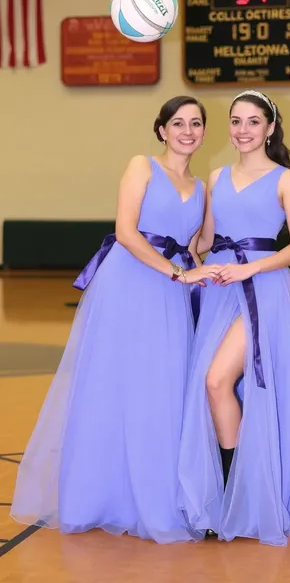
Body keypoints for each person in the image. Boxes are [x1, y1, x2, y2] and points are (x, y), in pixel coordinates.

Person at [11, 95, 221, 544]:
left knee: (162, 388)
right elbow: (126, 232)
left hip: (171, 290)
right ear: (161, 130)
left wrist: (216, 264)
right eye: (178, 122)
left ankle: (156, 496)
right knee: (116, 384)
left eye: (196, 123)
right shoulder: (141, 166)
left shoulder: (203, 186)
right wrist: (178, 271)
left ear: (204, 132)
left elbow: (201, 242)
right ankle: (100, 498)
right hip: (130, 283)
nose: (188, 130)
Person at [178, 89, 290, 546]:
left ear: (270, 128)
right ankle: (237, 493)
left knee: (215, 381)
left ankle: (239, 492)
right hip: (220, 292)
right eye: (235, 121)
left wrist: (250, 266)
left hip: (263, 291)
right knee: (211, 388)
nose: (242, 130)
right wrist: (179, 260)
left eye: (253, 121)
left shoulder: (285, 179)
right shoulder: (215, 176)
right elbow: (205, 240)